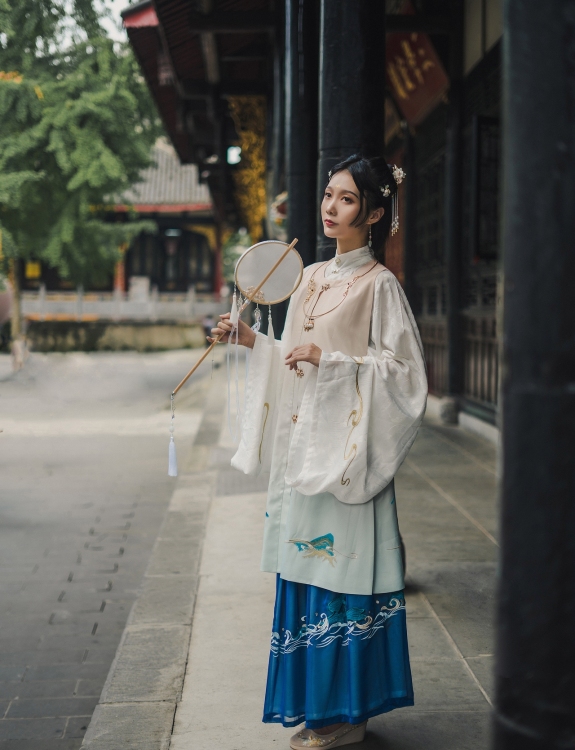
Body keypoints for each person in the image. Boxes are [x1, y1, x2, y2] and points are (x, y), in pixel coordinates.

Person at [209, 154, 427, 749]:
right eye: (329, 195)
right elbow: (289, 356)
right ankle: (318, 703)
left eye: (348, 199)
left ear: (376, 213)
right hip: (303, 449)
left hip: (347, 458)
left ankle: (346, 712)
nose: (331, 208)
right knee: (306, 574)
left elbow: (405, 377)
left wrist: (331, 362)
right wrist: (250, 338)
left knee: (342, 580)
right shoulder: (307, 278)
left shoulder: (380, 286)